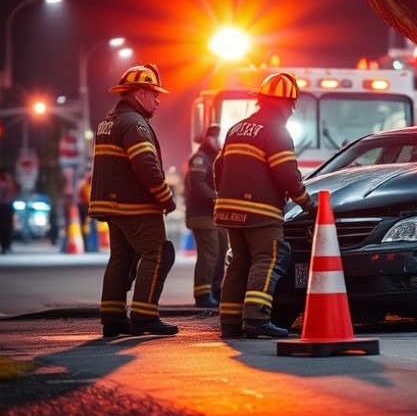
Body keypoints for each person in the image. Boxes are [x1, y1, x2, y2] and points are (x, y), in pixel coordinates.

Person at [214, 72, 317, 339]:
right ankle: (257, 319)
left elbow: (218, 166)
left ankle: (230, 323)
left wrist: (225, 195)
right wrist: (308, 204)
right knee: (269, 258)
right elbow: (286, 173)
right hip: (260, 212)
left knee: (239, 262)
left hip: (229, 209)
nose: (291, 111)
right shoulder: (276, 130)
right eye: (292, 105)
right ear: (287, 104)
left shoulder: (237, 128)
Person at [88, 64, 179, 337]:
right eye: (154, 93)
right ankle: (144, 316)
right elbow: (146, 165)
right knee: (158, 253)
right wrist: (165, 197)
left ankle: (113, 319)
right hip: (136, 207)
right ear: (140, 92)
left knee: (121, 258)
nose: (158, 100)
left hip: (113, 206)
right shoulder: (134, 123)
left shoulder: (109, 120)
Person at [185, 124, 228, 308]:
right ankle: (202, 294)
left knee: (221, 253)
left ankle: (216, 291)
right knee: (209, 255)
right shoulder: (200, 159)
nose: (217, 141)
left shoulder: (215, 158)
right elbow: (196, 184)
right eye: (214, 137)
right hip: (202, 215)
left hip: (216, 215)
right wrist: (216, 197)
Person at [0, 167, 19, 254]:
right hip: (6, 206)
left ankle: (6, 245)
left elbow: (14, 193)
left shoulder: (8, 183)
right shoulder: (8, 183)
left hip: (6, 206)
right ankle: (6, 245)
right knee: (6, 227)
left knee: (7, 227)